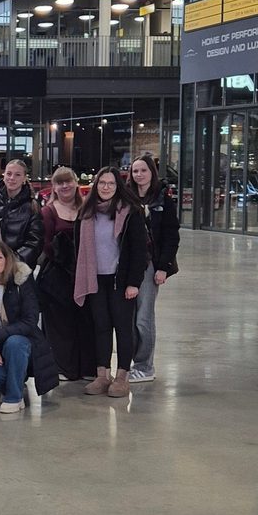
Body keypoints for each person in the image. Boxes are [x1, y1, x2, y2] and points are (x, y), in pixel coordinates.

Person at [74, 166, 148, 398]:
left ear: (119, 187)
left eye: (111, 183)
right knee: (101, 327)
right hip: (95, 279)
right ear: (96, 185)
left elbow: (139, 250)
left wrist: (133, 282)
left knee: (123, 328)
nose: (106, 187)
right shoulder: (86, 212)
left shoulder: (131, 211)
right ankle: (102, 375)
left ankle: (122, 376)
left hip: (121, 281)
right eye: (102, 183)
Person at [0, 240, 59, 416]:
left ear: (7, 260)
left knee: (14, 342)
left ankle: (13, 398)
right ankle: (12, 386)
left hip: (25, 346)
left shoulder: (21, 280)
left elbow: (30, 320)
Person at [36, 166, 96, 384]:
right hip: (58, 276)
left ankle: (88, 367)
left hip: (86, 275)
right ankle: (63, 367)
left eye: (68, 181)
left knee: (86, 322)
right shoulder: (48, 212)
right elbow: (47, 244)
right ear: (54, 187)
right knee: (60, 325)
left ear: (75, 182)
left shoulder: (88, 209)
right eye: (60, 183)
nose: (65, 186)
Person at [127, 153, 180, 384]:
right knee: (128, 318)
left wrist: (163, 268)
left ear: (152, 172)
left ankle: (144, 365)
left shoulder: (163, 199)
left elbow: (171, 235)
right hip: (128, 264)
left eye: (143, 170)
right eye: (135, 171)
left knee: (144, 317)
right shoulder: (126, 197)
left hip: (151, 265)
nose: (139, 175)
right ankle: (131, 363)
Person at [0, 155, 44, 268]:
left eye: (17, 175)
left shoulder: (32, 206)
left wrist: (12, 262)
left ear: (24, 179)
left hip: (19, 269)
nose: (12, 178)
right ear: (3, 176)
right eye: (9, 173)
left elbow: (35, 242)